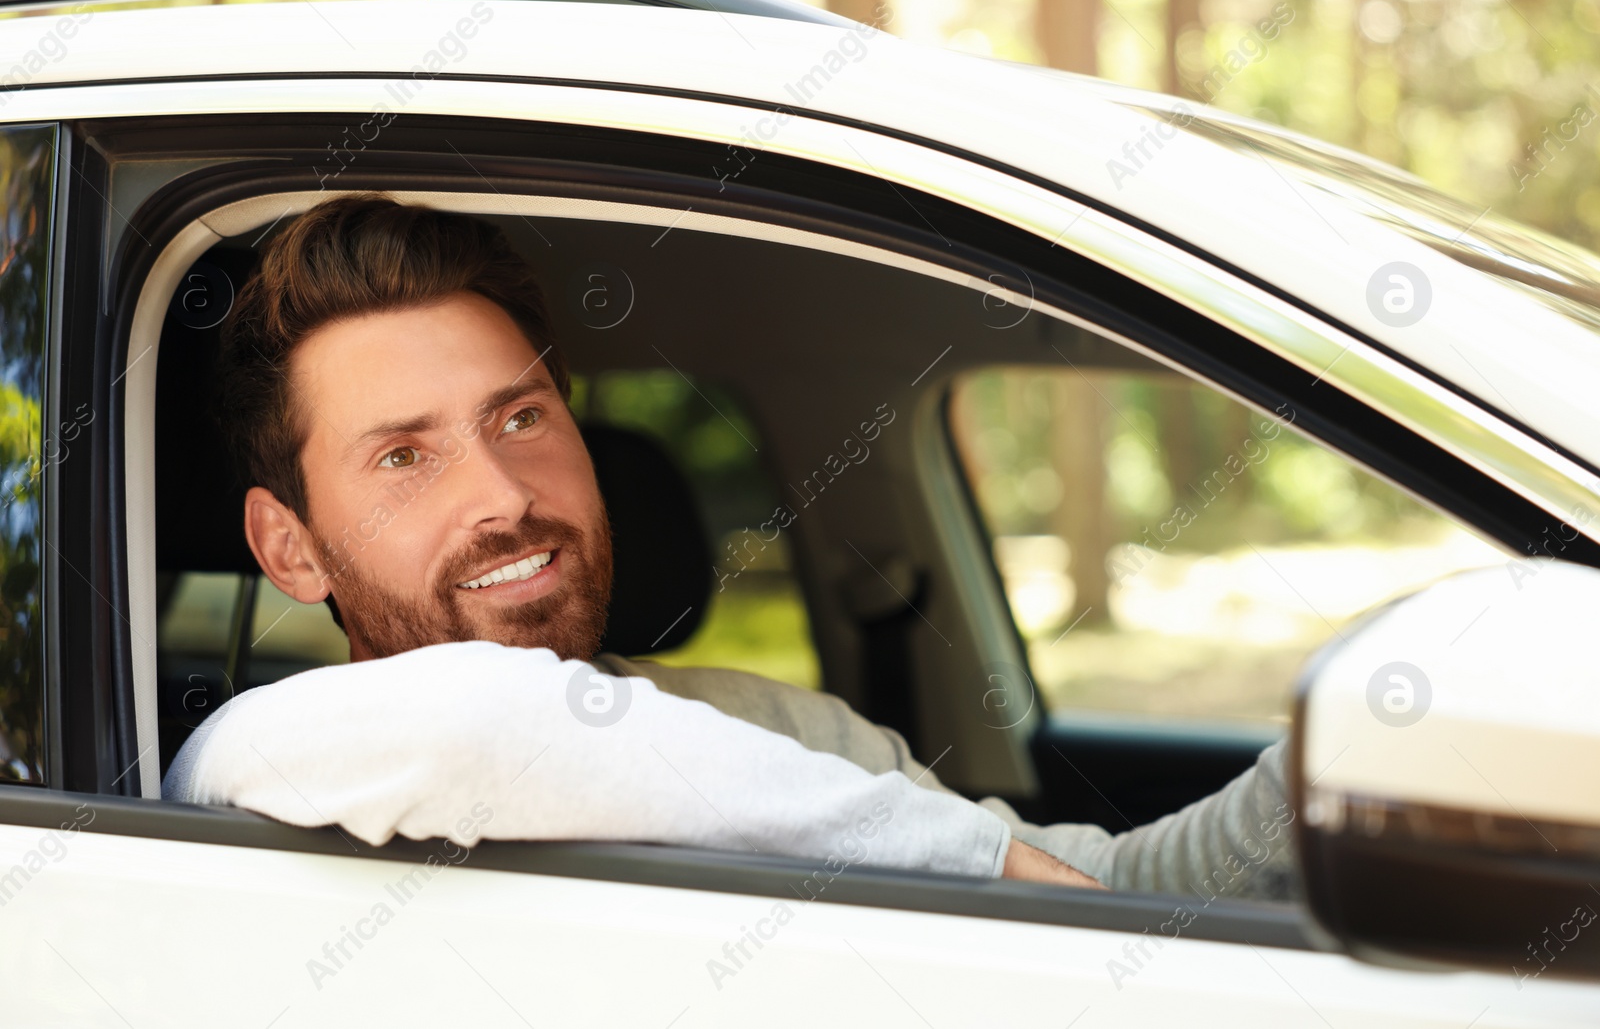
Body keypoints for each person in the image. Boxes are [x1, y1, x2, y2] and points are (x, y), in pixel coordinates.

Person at [165, 193, 1294, 900]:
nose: (502, 493)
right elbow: (481, 719)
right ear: (290, 548)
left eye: (520, 417)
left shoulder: (783, 731)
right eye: (403, 457)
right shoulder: (262, 778)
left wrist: (1331, 767)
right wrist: (979, 871)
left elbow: (1118, 891)